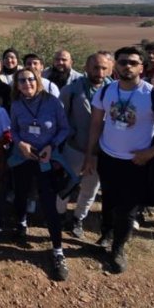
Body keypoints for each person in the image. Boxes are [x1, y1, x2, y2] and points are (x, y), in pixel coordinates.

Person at [84, 46, 154, 274]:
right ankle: (106, 235)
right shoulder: (106, 91)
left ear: (142, 67)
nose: (127, 66)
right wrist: (90, 154)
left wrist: (150, 153)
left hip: (136, 162)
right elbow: (96, 125)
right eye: (122, 62)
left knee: (128, 208)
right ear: (115, 66)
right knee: (109, 200)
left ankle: (118, 249)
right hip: (108, 157)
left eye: (132, 62)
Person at [9, 68, 71, 281]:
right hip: (24, 157)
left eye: (30, 79)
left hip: (46, 158)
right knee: (21, 194)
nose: (27, 83)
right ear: (17, 85)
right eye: (22, 81)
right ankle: (21, 224)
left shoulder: (52, 102)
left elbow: (65, 128)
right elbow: (14, 130)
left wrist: (51, 146)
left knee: (48, 203)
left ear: (38, 81)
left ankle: (57, 250)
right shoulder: (16, 105)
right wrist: (20, 144)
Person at [59, 53, 112, 239]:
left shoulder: (114, 92)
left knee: (90, 188)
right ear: (87, 68)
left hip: (101, 150)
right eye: (96, 67)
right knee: (65, 184)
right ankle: (59, 215)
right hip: (74, 148)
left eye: (104, 68)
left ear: (110, 69)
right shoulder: (71, 90)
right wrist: (71, 134)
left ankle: (78, 218)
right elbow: (61, 117)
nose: (99, 72)